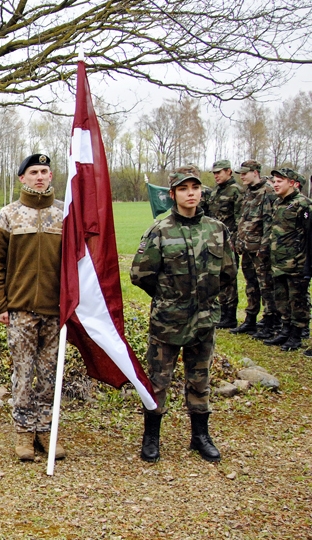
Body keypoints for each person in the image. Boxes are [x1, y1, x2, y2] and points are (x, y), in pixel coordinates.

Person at [130, 167, 236, 463]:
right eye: (184, 188)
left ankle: (200, 436)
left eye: (195, 187)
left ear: (201, 192)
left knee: (199, 380)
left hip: (203, 320)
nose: (191, 193)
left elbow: (228, 272)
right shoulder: (160, 230)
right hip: (168, 321)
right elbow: (141, 274)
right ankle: (151, 437)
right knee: (158, 381)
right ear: (173, 194)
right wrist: (169, 298)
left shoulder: (216, 229)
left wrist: (206, 300)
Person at [0, 154, 66, 462]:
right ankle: (23, 434)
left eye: (45, 171)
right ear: (22, 178)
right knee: (23, 373)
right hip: (20, 311)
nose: (40, 177)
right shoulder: (8, 216)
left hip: (55, 310)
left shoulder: (63, 215)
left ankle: (46, 432)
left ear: (51, 176)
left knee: (48, 375)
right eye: (33, 172)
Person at [263, 168, 312, 351]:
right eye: (274, 181)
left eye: (279, 181)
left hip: (297, 263)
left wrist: (307, 264)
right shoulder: (278, 203)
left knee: (297, 300)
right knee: (281, 298)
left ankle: (297, 334)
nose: (275, 184)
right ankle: (285, 330)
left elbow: (308, 236)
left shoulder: (303, 205)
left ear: (292, 183)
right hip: (278, 262)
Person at [232, 160, 279, 338]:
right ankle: (251, 320)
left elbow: (269, 222)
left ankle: (270, 323)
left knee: (266, 287)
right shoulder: (248, 192)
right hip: (247, 247)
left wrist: (265, 247)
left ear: (255, 172)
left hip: (260, 249)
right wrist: (238, 240)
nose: (242, 176)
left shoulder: (268, 191)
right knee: (251, 286)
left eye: (245, 173)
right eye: (241, 173)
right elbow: (243, 219)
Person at [208, 159, 243, 329]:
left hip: (229, 242)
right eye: (214, 173)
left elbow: (239, 219)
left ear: (229, 171)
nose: (216, 176)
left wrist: (235, 240)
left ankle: (230, 315)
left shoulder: (235, 191)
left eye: (219, 172)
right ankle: (222, 311)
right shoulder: (216, 192)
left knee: (229, 278)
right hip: (215, 241)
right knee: (217, 277)